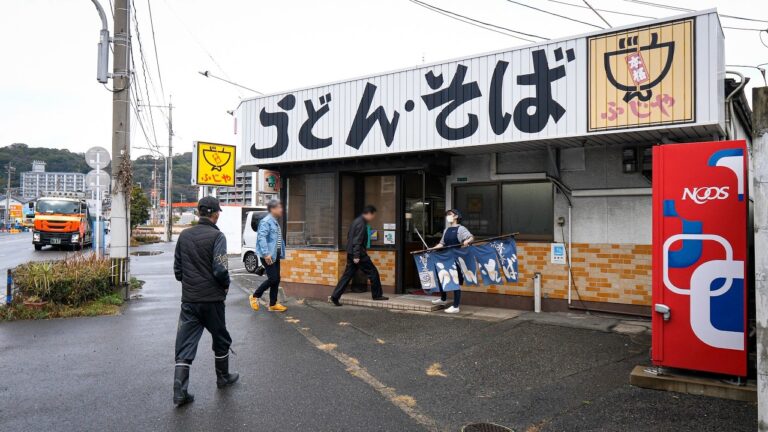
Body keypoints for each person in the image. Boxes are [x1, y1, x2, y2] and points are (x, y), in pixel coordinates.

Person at [172, 196, 239, 406]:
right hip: (212, 300)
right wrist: (226, 285)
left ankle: (180, 392)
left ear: (199, 212)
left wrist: (190, 284)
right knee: (220, 338)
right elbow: (220, 268)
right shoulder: (217, 236)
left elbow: (178, 270)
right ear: (215, 213)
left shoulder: (184, 235)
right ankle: (223, 378)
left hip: (190, 300)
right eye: (218, 212)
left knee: (185, 344)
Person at [330, 205, 389, 306]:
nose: (373, 217)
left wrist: (353, 254)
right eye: (373, 215)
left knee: (347, 276)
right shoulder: (361, 223)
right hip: (359, 255)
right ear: (369, 214)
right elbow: (357, 241)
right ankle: (377, 295)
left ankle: (335, 296)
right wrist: (356, 256)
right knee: (373, 272)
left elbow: (349, 236)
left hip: (351, 252)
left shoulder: (355, 221)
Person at [432, 209, 474, 314]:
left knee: (455, 281)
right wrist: (433, 248)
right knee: (440, 276)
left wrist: (466, 241)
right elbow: (442, 243)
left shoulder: (461, 229)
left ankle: (456, 306)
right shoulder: (446, 230)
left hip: (455, 258)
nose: (448, 216)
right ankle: (443, 298)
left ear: (456, 216)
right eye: (447, 215)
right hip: (445, 257)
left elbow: (471, 237)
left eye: (450, 214)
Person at [249, 199, 287, 312]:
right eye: (279, 207)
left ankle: (273, 304)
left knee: (276, 279)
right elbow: (261, 238)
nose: (281, 210)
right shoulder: (266, 221)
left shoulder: (274, 221)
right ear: (273, 209)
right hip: (268, 255)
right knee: (273, 279)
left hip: (275, 255)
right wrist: (266, 254)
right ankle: (255, 296)